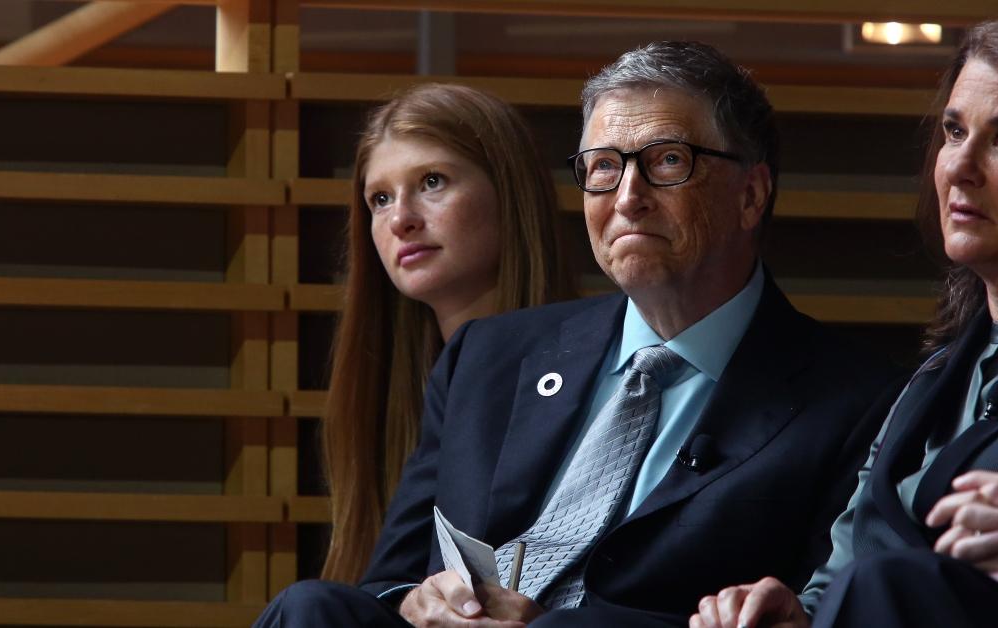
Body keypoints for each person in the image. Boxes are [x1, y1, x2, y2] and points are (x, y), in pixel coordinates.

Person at [256, 41, 894, 627]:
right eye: (604, 167)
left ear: (751, 195)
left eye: (667, 161)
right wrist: (416, 600)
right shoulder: (488, 355)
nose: (627, 196)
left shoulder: (856, 402)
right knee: (309, 606)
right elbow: (387, 585)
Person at [689, 14, 998, 628]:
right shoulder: (933, 377)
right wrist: (796, 618)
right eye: (954, 132)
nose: (960, 166)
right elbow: (845, 578)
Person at [319, 83, 576, 584]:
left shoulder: (609, 370)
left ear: (510, 192)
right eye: (380, 199)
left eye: (432, 181)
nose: (401, 220)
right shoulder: (382, 399)